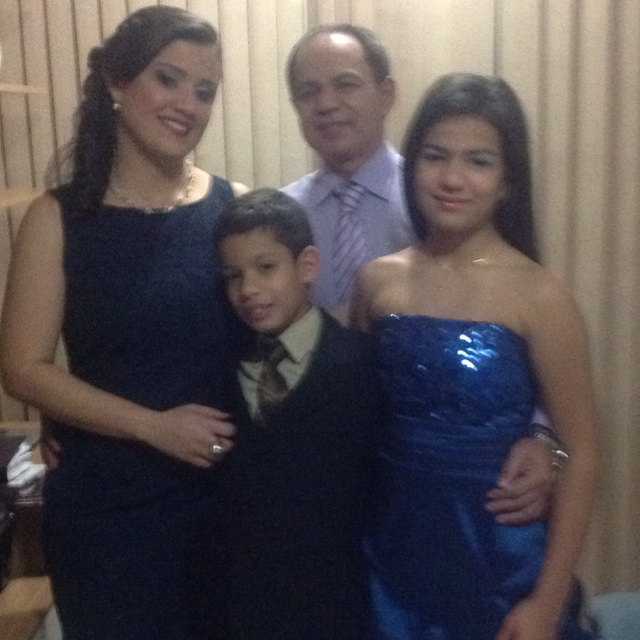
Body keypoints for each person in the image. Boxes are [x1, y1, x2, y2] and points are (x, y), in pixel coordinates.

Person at [0, 7, 246, 640]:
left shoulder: (235, 208)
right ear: (116, 81)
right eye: (168, 78)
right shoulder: (57, 219)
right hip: (109, 513)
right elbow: (21, 368)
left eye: (204, 91)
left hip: (225, 502)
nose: (187, 104)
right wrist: (151, 425)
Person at [352, 73, 598, 640]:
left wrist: (547, 602)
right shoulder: (377, 283)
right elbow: (353, 420)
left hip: (500, 565)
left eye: (479, 162)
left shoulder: (542, 296)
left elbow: (583, 454)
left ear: (507, 181)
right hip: (389, 557)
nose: (452, 179)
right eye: (435, 156)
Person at [283, 23, 556, 526]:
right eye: (308, 91)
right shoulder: (282, 217)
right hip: (321, 469)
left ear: (386, 94)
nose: (326, 103)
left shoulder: (447, 199)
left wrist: (541, 435)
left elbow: (517, 338)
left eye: (345, 84)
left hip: (439, 485)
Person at [193, 187, 380, 639]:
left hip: (332, 605)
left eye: (266, 268)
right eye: (233, 276)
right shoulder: (220, 367)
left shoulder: (360, 366)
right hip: (240, 607)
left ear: (307, 265)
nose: (248, 289)